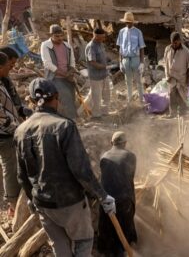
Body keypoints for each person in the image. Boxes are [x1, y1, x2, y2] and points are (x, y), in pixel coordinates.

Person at [14, 78, 116, 257]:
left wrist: (32, 199)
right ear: (56, 98)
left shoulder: (21, 131)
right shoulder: (64, 126)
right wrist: (103, 196)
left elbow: (22, 175)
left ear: (31, 101)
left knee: (59, 244)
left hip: (43, 202)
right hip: (70, 201)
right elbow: (81, 169)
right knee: (83, 240)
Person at [97, 131, 137, 256]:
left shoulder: (104, 156)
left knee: (107, 228)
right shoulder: (130, 156)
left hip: (106, 199)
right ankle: (123, 250)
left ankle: (107, 251)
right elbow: (130, 176)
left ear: (111, 143)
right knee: (125, 226)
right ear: (125, 143)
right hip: (124, 200)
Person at [40, 24, 78, 120]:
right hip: (54, 78)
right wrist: (65, 74)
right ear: (51, 35)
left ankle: (69, 119)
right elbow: (47, 63)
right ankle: (71, 121)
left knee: (71, 98)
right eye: (57, 36)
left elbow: (72, 62)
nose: (60, 38)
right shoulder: (46, 45)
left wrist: (71, 72)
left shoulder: (67, 46)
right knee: (65, 98)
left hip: (68, 77)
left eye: (61, 35)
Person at [0, 52, 21, 218]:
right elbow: (1, 118)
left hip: (9, 130)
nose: (10, 68)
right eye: (8, 66)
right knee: (10, 167)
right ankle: (13, 204)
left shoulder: (4, 81)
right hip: (4, 135)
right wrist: (17, 128)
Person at [116, 12, 146, 103]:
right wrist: (120, 62)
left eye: (130, 22)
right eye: (127, 22)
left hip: (135, 59)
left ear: (133, 22)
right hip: (125, 59)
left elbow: (141, 48)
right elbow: (120, 48)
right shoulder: (121, 32)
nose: (128, 24)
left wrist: (142, 63)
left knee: (138, 82)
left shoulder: (138, 32)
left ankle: (141, 101)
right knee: (128, 82)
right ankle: (130, 102)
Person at [164, 32, 189, 117]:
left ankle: (183, 114)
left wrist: (188, 80)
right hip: (171, 78)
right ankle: (173, 113)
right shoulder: (168, 49)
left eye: (175, 43)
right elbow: (165, 63)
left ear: (179, 41)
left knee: (181, 97)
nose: (174, 45)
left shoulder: (186, 51)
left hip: (181, 78)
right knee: (172, 96)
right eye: (172, 43)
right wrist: (167, 76)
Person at [0, 46, 32, 119]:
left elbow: (12, 99)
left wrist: (20, 110)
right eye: (11, 63)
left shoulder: (6, 78)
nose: (13, 66)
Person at [85, 28, 110, 119]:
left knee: (106, 95)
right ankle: (96, 115)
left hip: (104, 75)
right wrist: (104, 67)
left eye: (104, 37)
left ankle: (104, 113)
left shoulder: (100, 44)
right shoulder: (91, 46)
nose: (103, 39)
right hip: (95, 76)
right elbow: (92, 62)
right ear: (95, 36)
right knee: (96, 97)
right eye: (101, 37)